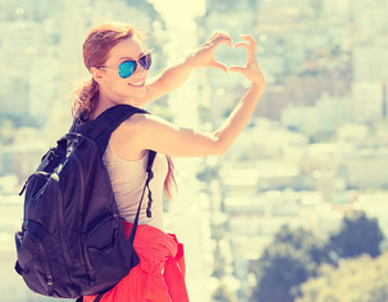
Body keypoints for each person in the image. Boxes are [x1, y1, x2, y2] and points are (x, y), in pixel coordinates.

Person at [73, 20, 267, 301]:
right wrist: (257, 87)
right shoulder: (135, 128)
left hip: (103, 272)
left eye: (144, 60)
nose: (140, 72)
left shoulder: (90, 112)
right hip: (136, 276)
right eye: (127, 66)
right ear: (98, 73)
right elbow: (217, 142)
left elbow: (162, 83)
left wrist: (192, 62)